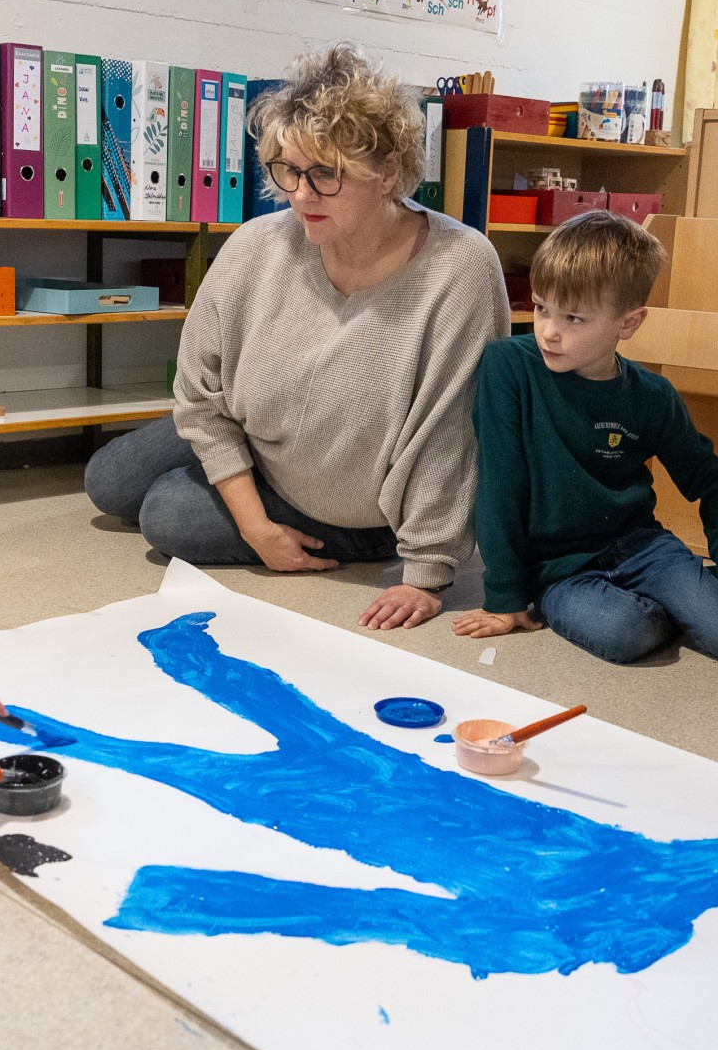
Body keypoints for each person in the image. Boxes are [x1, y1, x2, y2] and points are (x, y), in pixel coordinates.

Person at [84, 43, 509, 630]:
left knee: (166, 515)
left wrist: (428, 572)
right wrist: (256, 527)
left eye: (325, 174)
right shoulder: (260, 243)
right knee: (106, 482)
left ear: (388, 171)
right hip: (263, 432)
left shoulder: (460, 267)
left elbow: (453, 429)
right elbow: (199, 390)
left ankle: (345, 531)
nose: (300, 194)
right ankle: (240, 472)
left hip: (354, 499)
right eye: (287, 170)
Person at [450, 210, 718, 663]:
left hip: (642, 547)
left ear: (628, 323)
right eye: (541, 306)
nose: (548, 330)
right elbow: (499, 485)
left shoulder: (652, 395)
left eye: (573, 318)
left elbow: (712, 480)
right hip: (558, 570)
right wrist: (507, 597)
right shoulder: (507, 366)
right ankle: (679, 603)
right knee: (628, 634)